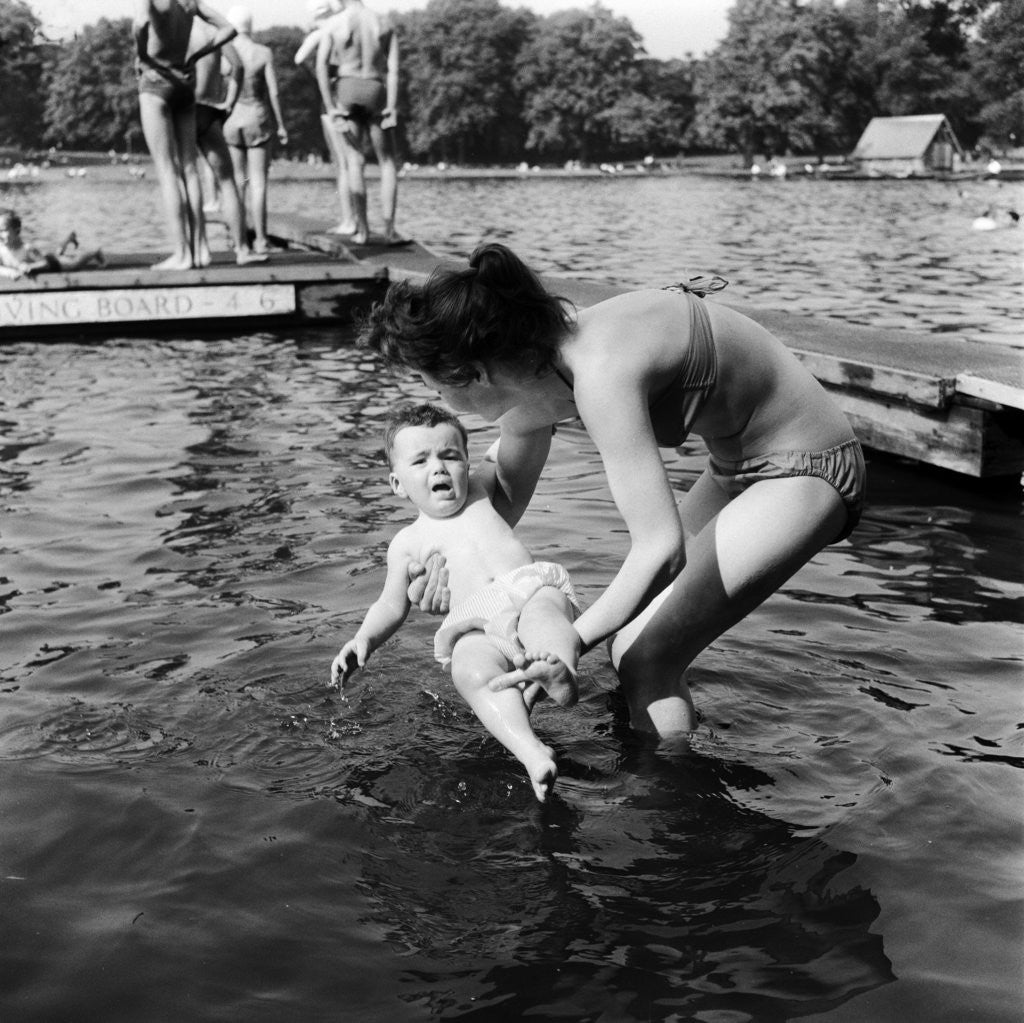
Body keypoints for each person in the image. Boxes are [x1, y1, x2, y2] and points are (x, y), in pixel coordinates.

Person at [362, 243, 867, 739]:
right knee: (629, 641)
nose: (439, 399)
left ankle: (668, 790)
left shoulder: (599, 371)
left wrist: (566, 644)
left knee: (645, 655)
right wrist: (442, 566)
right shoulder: (537, 367)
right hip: (735, 467)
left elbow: (661, 549)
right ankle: (656, 767)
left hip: (808, 465)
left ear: (476, 374)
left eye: (436, 387)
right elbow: (499, 506)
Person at [330, 402, 582, 801]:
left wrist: (536, 409)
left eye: (450, 456)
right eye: (421, 461)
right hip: (475, 622)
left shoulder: (482, 490)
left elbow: (511, 439)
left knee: (544, 615)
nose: (439, 468)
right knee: (469, 670)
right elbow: (390, 605)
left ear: (466, 462)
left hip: (527, 587)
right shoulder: (406, 544)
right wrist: (364, 638)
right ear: (397, 484)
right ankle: (532, 753)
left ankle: (560, 674)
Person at [134, 0, 237, 271]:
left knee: (168, 170)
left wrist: (142, 55)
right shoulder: (191, 3)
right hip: (184, 82)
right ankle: (201, 250)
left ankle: (182, 254)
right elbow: (229, 29)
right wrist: (196, 55)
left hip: (156, 80)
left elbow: (140, 24)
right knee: (190, 169)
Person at [316, 0, 400, 245]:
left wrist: (331, 106)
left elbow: (321, 66)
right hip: (374, 87)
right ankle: (390, 231)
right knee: (387, 162)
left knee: (354, 161)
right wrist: (391, 105)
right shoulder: (384, 22)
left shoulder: (335, 22)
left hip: (347, 87)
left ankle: (362, 231)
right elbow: (393, 69)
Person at [188, 19, 266, 264]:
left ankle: (201, 250)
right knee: (227, 182)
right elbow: (238, 66)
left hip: (186, 110)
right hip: (210, 108)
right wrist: (229, 103)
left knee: (189, 177)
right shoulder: (212, 30)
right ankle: (242, 250)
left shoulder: (176, 28)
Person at [222, 5, 289, 255]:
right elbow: (274, 92)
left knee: (238, 182)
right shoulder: (263, 53)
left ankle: (238, 239)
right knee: (258, 183)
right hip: (257, 118)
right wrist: (281, 124)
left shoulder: (225, 52)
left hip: (232, 120)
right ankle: (261, 239)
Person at [294, 0, 356, 235]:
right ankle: (355, 220)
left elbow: (299, 58)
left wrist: (318, 73)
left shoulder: (322, 32)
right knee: (353, 160)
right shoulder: (346, 27)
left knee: (342, 163)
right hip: (350, 91)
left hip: (331, 100)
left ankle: (348, 221)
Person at [0, 209, 104, 279]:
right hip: (43, 257)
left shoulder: (27, 248)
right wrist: (9, 273)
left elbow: (45, 264)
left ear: (17, 231)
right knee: (58, 255)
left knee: (75, 264)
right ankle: (67, 240)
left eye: (3, 231)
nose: (0, 234)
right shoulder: (1, 250)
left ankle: (94, 252)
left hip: (52, 264)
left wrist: (30, 266)